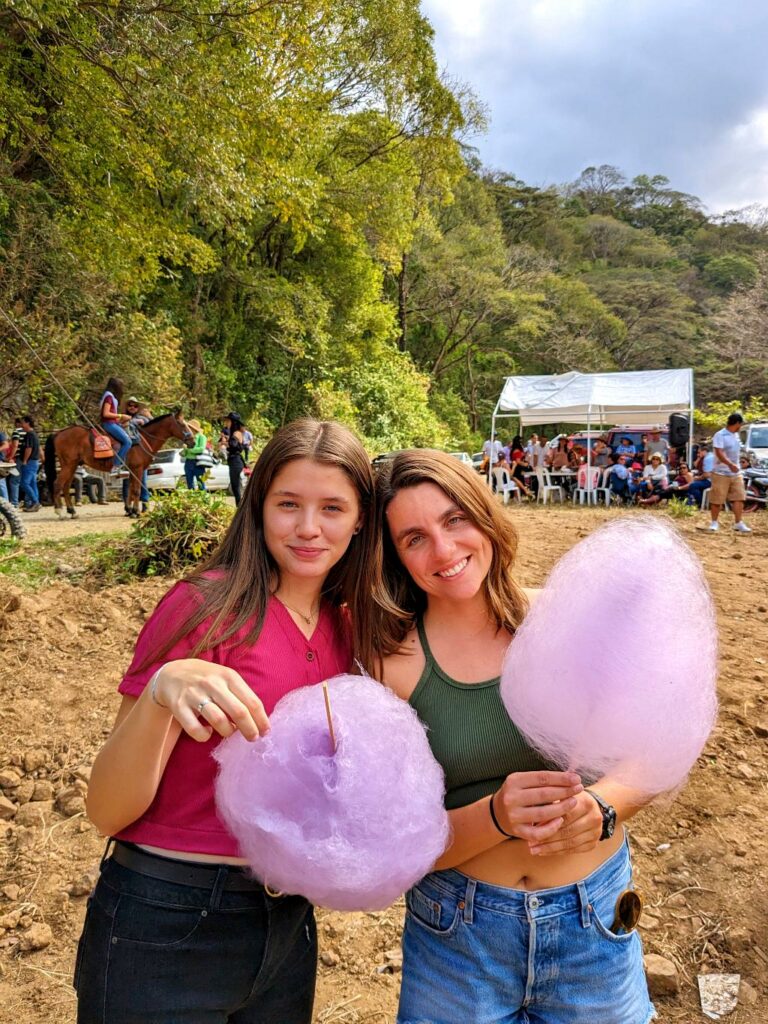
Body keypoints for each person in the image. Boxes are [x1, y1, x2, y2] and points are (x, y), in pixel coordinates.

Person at [75, 419, 377, 1024]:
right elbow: (107, 809)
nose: (309, 527)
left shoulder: (351, 627)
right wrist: (163, 691)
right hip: (166, 915)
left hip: (287, 923)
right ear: (257, 504)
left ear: (362, 519)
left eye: (332, 508)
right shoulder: (202, 607)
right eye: (288, 504)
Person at [370, 451, 654, 1024]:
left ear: (484, 515)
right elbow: (397, 849)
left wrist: (602, 806)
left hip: (593, 921)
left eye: (454, 520)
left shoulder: (569, 622)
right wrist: (496, 815)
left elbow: (654, 752)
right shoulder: (390, 665)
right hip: (458, 936)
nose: (444, 550)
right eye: (414, 537)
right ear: (395, 556)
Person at [709, 413, 750, 533]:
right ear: (737, 423)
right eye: (740, 424)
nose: (741, 426)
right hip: (720, 472)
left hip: (736, 472)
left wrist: (738, 463)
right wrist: (729, 464)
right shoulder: (720, 435)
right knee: (717, 499)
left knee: (739, 497)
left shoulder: (736, 435)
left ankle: (738, 523)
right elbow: (719, 452)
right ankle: (714, 523)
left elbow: (736, 452)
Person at [122, 399, 152, 513]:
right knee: (127, 481)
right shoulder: (122, 416)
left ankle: (144, 504)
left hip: (139, 452)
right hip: (126, 452)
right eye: (130, 405)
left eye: (135, 406)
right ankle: (127, 505)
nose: (132, 407)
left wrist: (149, 417)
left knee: (141, 480)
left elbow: (151, 425)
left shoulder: (142, 417)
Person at [99, 377, 132, 471]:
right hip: (108, 424)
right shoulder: (109, 397)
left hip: (113, 423)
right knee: (128, 442)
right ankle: (116, 466)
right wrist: (121, 416)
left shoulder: (110, 396)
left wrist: (122, 421)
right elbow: (105, 413)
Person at [221, 412, 246, 505]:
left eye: (228, 421)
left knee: (236, 487)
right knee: (236, 486)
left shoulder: (237, 433)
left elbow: (234, 445)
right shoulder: (234, 433)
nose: (227, 423)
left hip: (236, 461)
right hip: (233, 461)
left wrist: (224, 443)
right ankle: (240, 507)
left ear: (233, 422)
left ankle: (239, 507)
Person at [19, 414, 41, 512]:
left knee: (24, 483)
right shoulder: (34, 434)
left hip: (30, 462)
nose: (21, 425)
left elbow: (29, 448)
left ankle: (35, 502)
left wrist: (24, 461)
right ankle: (35, 503)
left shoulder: (29, 435)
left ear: (28, 423)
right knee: (32, 484)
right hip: (34, 462)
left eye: (23, 423)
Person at [184, 419, 209, 491]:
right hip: (188, 462)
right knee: (189, 484)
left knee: (200, 483)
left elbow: (201, 449)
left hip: (198, 462)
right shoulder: (188, 437)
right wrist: (184, 450)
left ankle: (203, 500)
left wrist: (189, 450)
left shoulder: (202, 437)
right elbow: (186, 452)